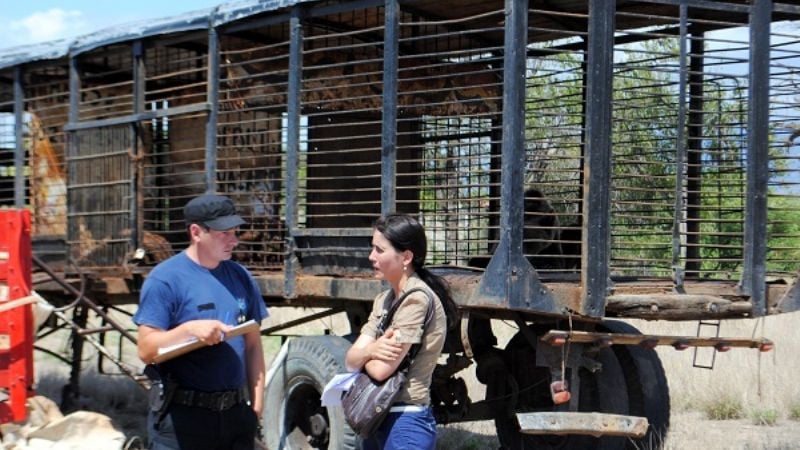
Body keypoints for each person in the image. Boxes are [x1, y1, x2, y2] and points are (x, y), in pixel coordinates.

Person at [134, 193, 268, 450]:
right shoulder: (165, 279)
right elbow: (146, 349)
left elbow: (253, 345)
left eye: (235, 231)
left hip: (236, 416)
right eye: (223, 233)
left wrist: (256, 408)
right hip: (184, 419)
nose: (234, 240)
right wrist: (189, 330)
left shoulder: (240, 277)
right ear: (196, 232)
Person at [344, 213, 458, 450]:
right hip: (377, 420)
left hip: (405, 423)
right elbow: (349, 361)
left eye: (379, 250)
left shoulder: (417, 300)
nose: (371, 257)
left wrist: (365, 353)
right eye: (372, 248)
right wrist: (373, 350)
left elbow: (381, 370)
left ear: (406, 257)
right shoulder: (384, 300)